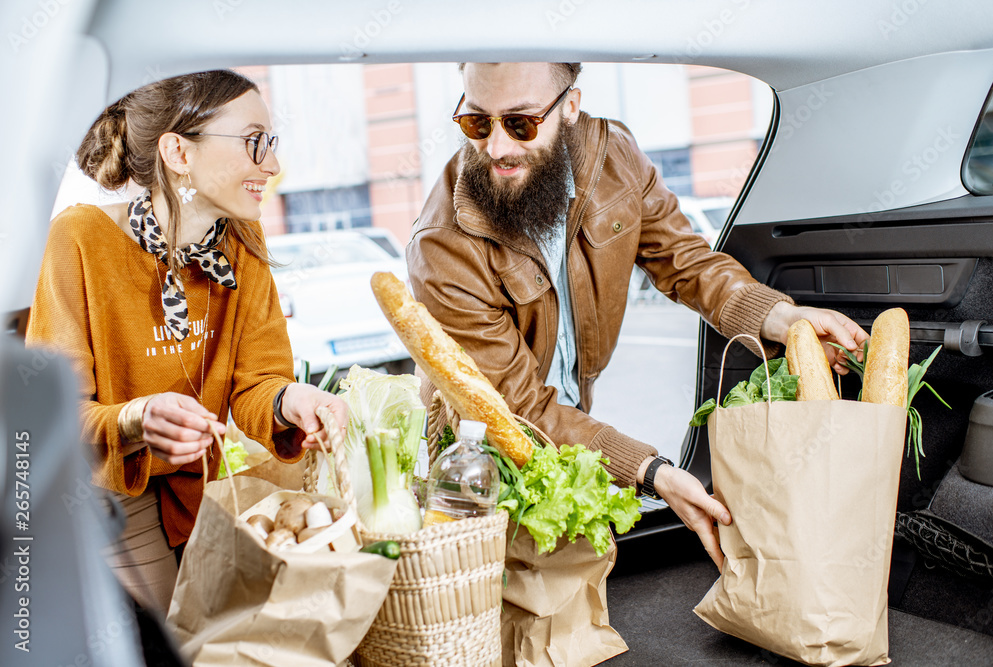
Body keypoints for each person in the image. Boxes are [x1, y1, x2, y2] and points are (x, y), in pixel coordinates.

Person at [407, 62, 869, 569]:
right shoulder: (442, 246)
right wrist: (650, 471)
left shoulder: (615, 157)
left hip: (570, 425)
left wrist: (783, 319)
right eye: (477, 122)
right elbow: (519, 411)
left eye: (520, 123)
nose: (496, 147)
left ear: (570, 106)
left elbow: (685, 261)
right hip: (477, 458)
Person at [25, 70, 347, 616]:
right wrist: (135, 419)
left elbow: (258, 382)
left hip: (200, 491)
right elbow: (48, 422)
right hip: (111, 498)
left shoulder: (243, 242)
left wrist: (292, 400)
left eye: (271, 143)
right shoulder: (79, 239)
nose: (270, 164)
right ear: (178, 151)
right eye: (254, 142)